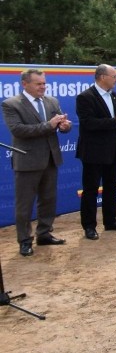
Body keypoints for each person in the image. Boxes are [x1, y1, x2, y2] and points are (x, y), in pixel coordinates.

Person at [2, 68, 73, 256]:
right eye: (38, 84)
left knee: (48, 200)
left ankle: (44, 233)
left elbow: (63, 125)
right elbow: (18, 130)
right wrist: (48, 125)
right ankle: (25, 240)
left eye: (44, 83)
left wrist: (65, 126)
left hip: (50, 158)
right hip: (27, 161)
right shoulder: (11, 104)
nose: (43, 87)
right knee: (24, 204)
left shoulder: (52, 101)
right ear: (25, 84)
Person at [76, 65, 116, 239]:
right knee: (91, 189)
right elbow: (89, 124)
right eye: (115, 76)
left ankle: (110, 221)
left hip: (113, 149)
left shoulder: (115, 96)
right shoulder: (85, 97)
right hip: (93, 151)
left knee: (112, 187)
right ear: (102, 77)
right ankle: (89, 226)